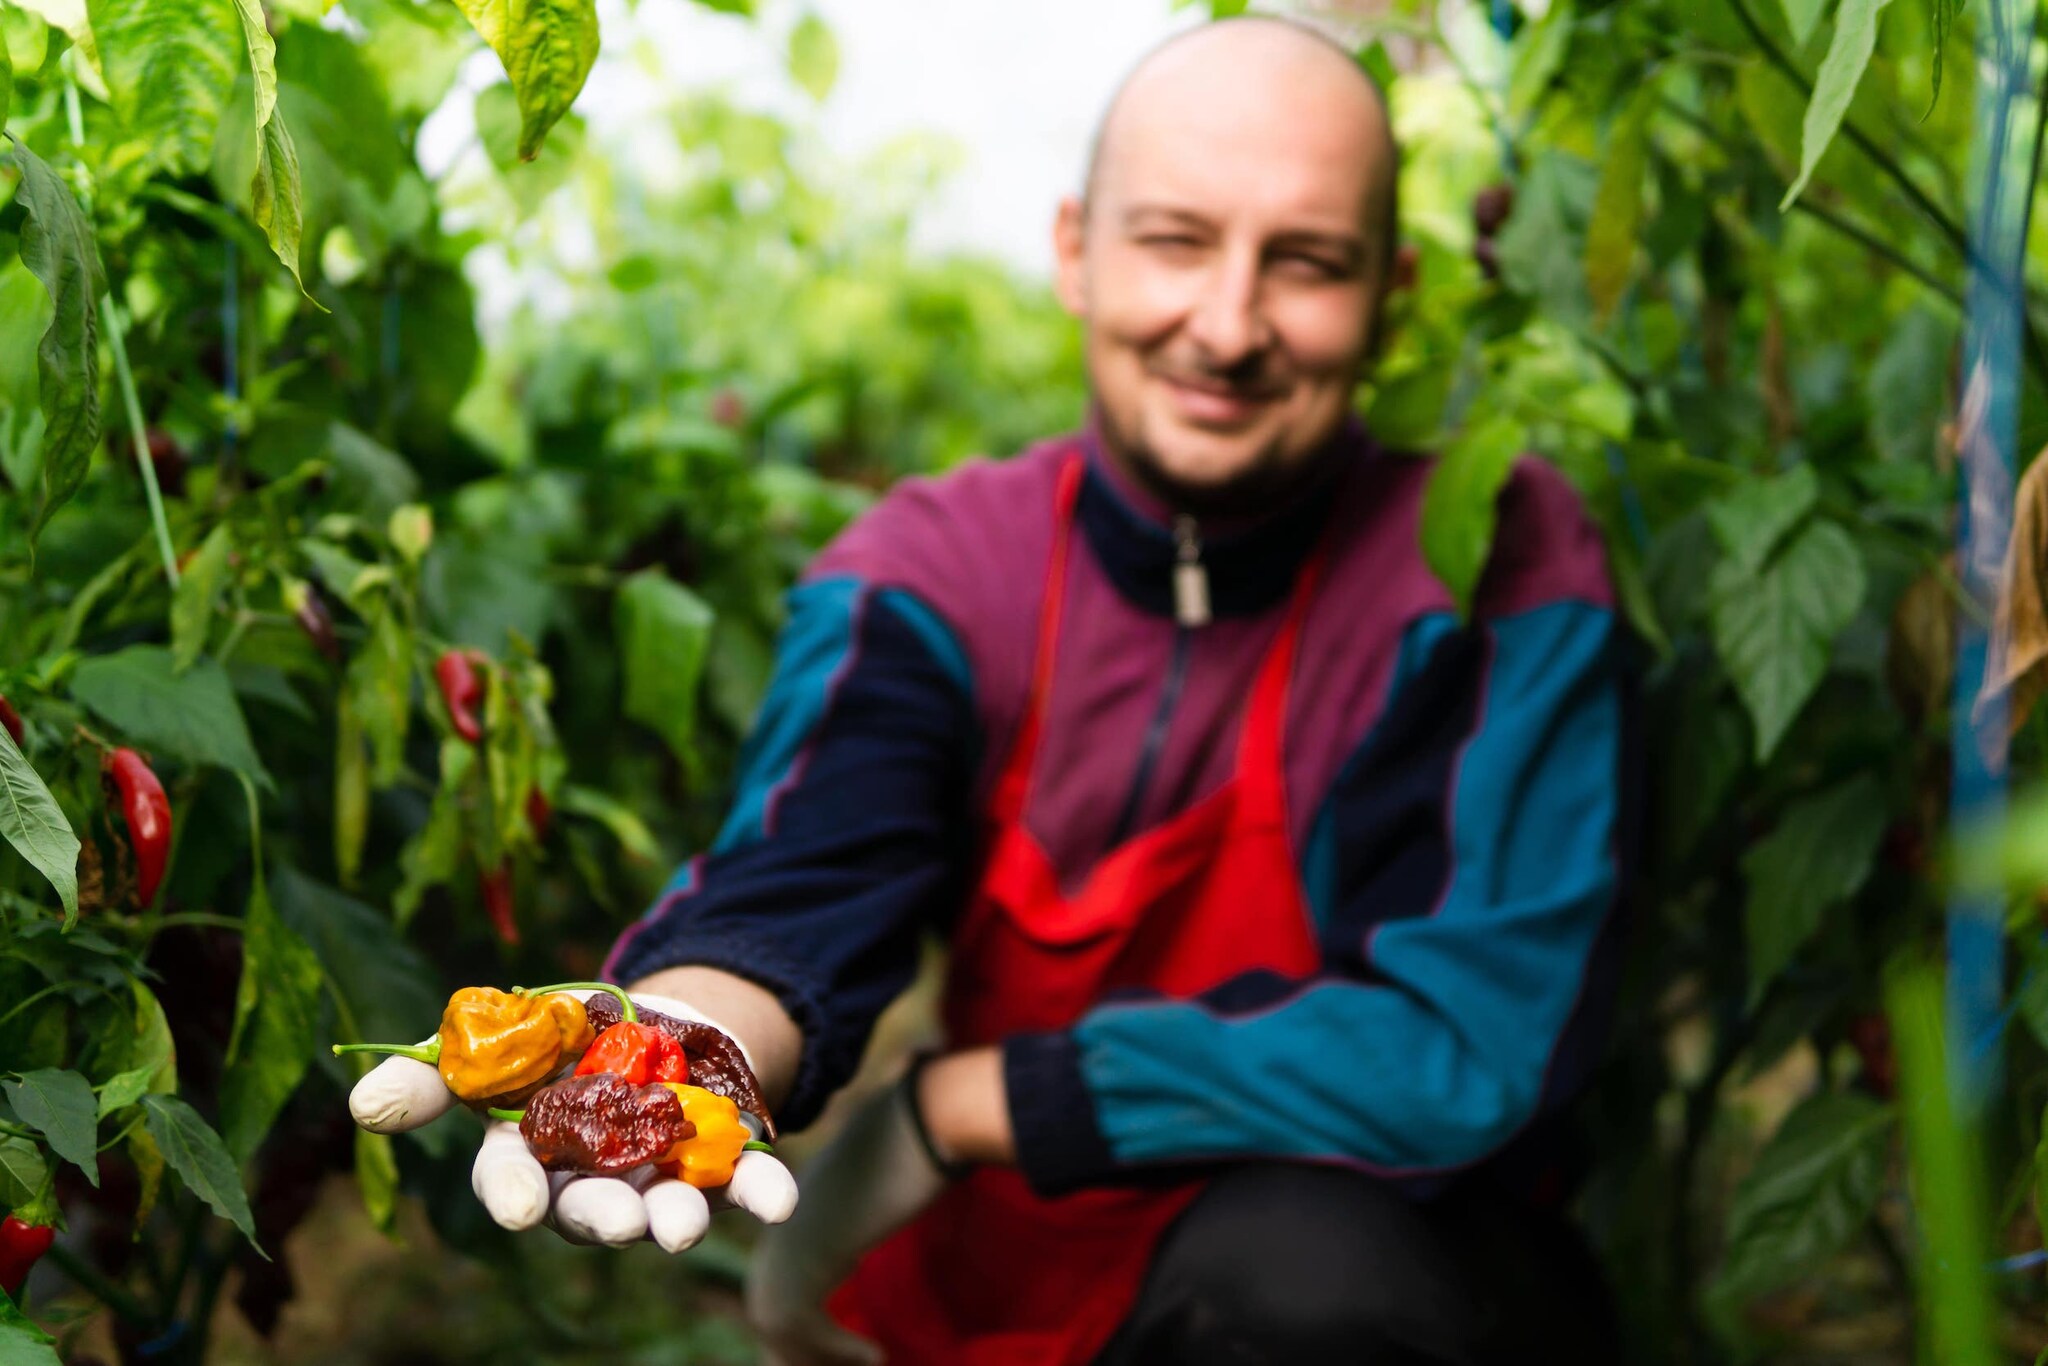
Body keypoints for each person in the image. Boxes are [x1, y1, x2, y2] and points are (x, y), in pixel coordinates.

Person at [359, 15, 1637, 1365]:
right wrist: (683, 1040)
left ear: (1393, 295)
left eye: (1308, 262)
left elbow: (1465, 1039)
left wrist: (967, 1105)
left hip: (1368, 1263)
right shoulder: (934, 573)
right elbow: (805, 878)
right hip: (1019, 1250)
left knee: (1308, 1286)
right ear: (1076, 249)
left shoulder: (1491, 557)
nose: (1229, 321)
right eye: (1176, 239)